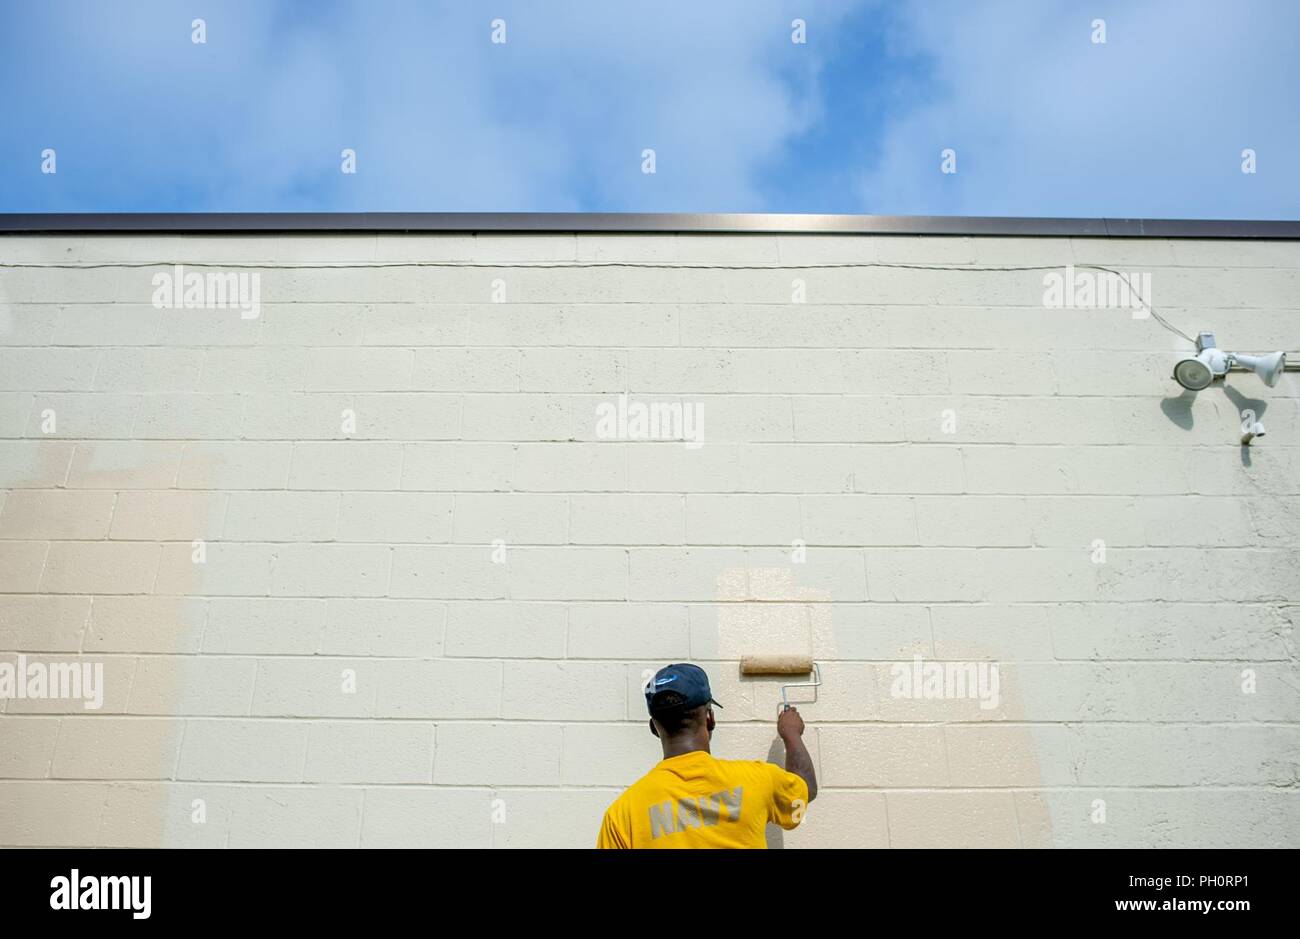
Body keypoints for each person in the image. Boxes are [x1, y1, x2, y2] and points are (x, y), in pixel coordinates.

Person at [596, 663, 816, 848]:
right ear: (710, 718)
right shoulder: (758, 779)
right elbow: (805, 791)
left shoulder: (622, 815)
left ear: (654, 728)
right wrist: (792, 735)